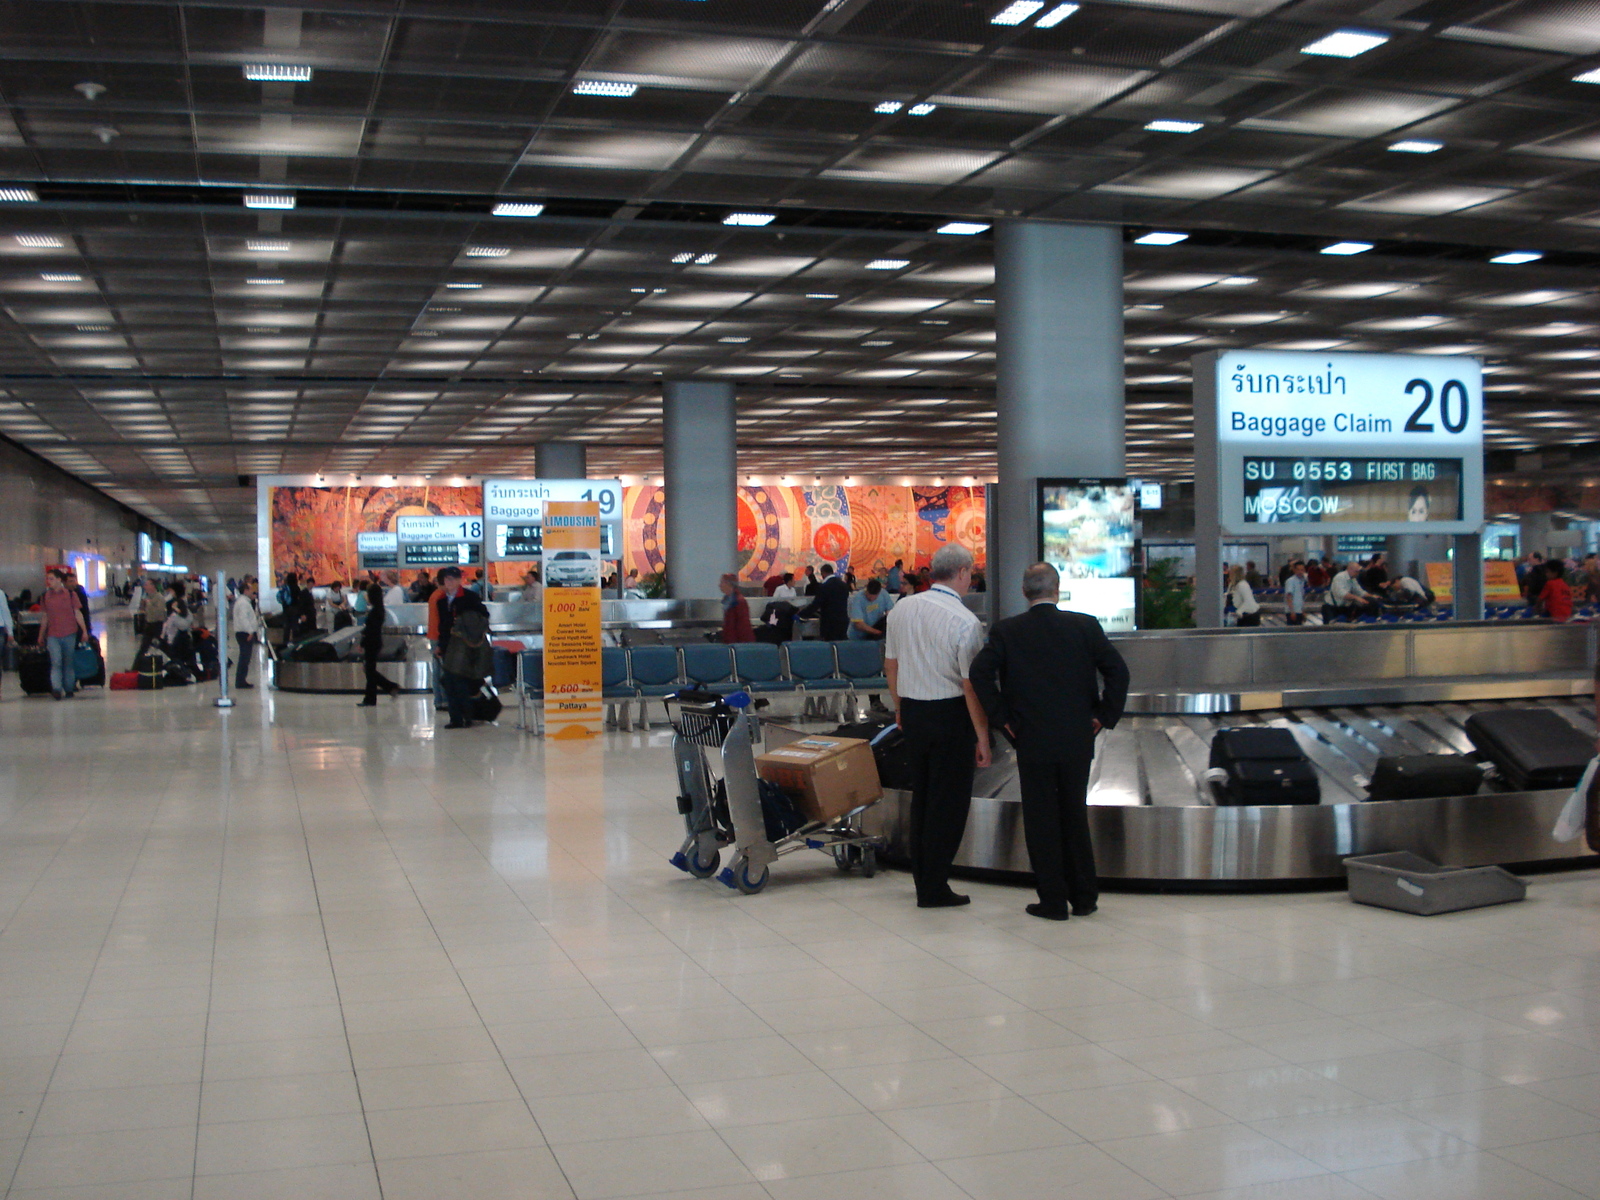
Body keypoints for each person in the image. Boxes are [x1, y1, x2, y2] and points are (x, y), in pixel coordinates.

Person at [970, 562, 1129, 921]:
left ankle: (1053, 900)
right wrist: (1103, 715)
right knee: (1074, 813)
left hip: (1031, 737)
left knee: (1042, 819)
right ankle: (1085, 896)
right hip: (1077, 736)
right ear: (1057, 589)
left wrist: (1002, 720)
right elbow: (1118, 671)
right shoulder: (1085, 626)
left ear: (1025, 592)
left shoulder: (1008, 631)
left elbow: (980, 672)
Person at [883, 543, 989, 909]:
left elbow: (891, 664)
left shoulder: (901, 609)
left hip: (913, 712)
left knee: (923, 798)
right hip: (950, 717)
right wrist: (982, 736)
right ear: (962, 573)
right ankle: (935, 885)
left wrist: (899, 706)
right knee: (949, 802)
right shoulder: (965, 622)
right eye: (970, 574)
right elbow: (970, 683)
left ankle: (922, 881)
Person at [438, 570, 491, 729]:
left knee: (460, 682)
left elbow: (484, 615)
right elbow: (443, 625)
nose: (450, 582)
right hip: (449, 646)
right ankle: (456, 718)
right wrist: (441, 645)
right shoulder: (441, 600)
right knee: (450, 682)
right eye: (447, 579)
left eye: (453, 579)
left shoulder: (469, 597)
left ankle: (466, 716)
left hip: (465, 647)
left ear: (459, 580)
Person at [41, 570, 88, 700]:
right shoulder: (45, 596)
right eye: (48, 579)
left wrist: (84, 630)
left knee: (68, 661)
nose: (48, 581)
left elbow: (78, 613)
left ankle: (68, 688)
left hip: (69, 633)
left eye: (51, 579)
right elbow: (45, 616)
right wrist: (41, 634)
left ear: (59, 580)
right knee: (56, 661)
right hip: (52, 634)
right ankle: (56, 688)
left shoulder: (71, 595)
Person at [358, 582, 402, 705]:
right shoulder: (379, 610)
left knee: (369, 671)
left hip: (371, 642)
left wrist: (362, 643)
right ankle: (374, 696)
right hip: (375, 642)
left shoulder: (374, 611)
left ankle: (386, 689)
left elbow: (369, 630)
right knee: (370, 670)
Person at [427, 569, 458, 712]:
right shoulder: (441, 596)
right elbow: (444, 620)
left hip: (433, 634)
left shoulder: (434, 595)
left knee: (437, 669)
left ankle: (439, 700)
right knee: (443, 670)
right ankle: (444, 699)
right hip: (440, 636)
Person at [799, 563, 850, 640]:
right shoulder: (843, 585)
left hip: (829, 624)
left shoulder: (824, 586)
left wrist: (802, 614)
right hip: (843, 622)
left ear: (823, 573)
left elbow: (816, 604)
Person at [232, 579, 259, 689]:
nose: (253, 591)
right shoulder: (243, 603)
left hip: (244, 632)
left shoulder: (244, 602)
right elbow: (244, 619)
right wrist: (250, 631)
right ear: (245, 590)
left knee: (245, 658)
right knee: (244, 658)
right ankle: (240, 681)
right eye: (251, 589)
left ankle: (241, 679)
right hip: (244, 633)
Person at [132, 578, 166, 666]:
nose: (145, 586)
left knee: (165, 647)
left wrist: (149, 604)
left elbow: (159, 612)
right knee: (143, 648)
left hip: (157, 626)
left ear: (153, 586)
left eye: (147, 584)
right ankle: (134, 669)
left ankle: (178, 662)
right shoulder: (148, 597)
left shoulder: (159, 597)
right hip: (149, 625)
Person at [719, 573, 754, 643]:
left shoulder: (739, 602)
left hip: (738, 642)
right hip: (731, 640)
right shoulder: (728, 600)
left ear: (729, 584)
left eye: (722, 582)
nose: (719, 585)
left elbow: (743, 626)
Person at [1284, 560, 1308, 626]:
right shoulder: (1290, 581)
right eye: (1298, 570)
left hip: (1299, 611)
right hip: (1292, 612)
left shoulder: (1302, 581)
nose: (1300, 572)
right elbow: (1289, 597)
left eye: (1302, 570)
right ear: (1294, 570)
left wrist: (1303, 611)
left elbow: (1301, 598)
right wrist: (1292, 611)